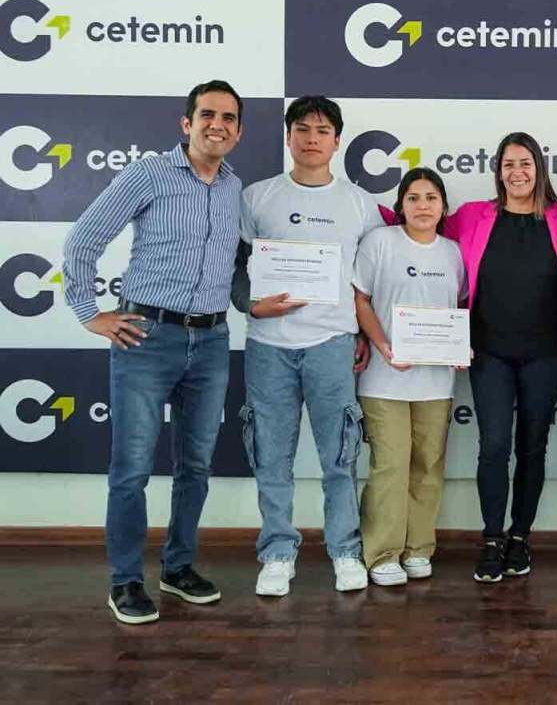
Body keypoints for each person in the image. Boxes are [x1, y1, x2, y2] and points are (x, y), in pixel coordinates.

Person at [62, 80, 244, 624]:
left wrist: (252, 305)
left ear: (238, 130)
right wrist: (88, 313)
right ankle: (124, 581)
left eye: (229, 118)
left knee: (195, 466)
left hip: (212, 341)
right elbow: (83, 241)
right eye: (207, 114)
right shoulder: (150, 173)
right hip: (147, 337)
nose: (218, 124)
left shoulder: (235, 187)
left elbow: (235, 266)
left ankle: (178, 567)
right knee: (133, 469)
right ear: (186, 124)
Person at [230, 96, 382, 596]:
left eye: (322, 130)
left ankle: (344, 550)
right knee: (271, 456)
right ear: (288, 137)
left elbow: (367, 282)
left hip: (332, 344)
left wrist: (362, 333)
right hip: (268, 345)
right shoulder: (256, 197)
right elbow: (233, 268)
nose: (311, 138)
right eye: (302, 129)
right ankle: (277, 552)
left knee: (340, 455)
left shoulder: (360, 203)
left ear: (337, 141)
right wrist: (252, 306)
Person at [443, 131, 557, 582]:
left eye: (525, 163)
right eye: (508, 165)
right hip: (489, 352)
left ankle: (520, 536)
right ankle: (491, 538)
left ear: (540, 168)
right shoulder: (471, 217)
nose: (517, 172)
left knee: (533, 446)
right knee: (494, 446)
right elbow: (417, 224)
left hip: (547, 352)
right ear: (497, 171)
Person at [353, 167, 466, 586]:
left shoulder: (453, 253)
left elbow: (460, 309)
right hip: (385, 380)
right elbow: (360, 300)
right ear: (400, 205)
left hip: (436, 383)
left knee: (428, 465)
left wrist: (459, 347)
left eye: (431, 198)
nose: (422, 205)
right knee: (390, 465)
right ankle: (382, 552)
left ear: (443, 207)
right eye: (414, 197)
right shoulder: (380, 243)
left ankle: (419, 547)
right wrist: (381, 345)